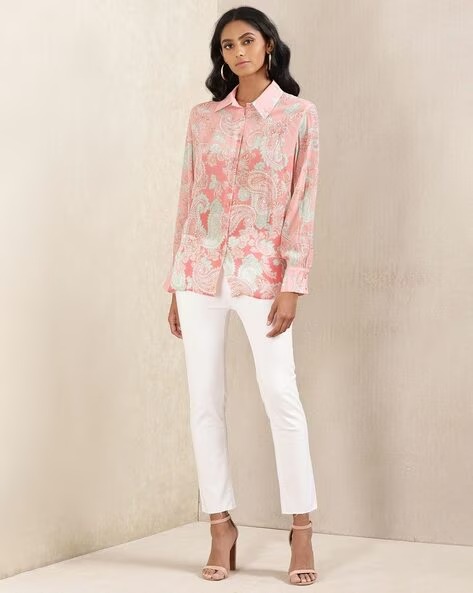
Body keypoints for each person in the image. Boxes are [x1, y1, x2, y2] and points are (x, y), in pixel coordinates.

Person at [163, 6, 319, 586]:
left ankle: (301, 528)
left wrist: (293, 283)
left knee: (281, 396)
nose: (238, 53)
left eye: (247, 41)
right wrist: (176, 283)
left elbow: (303, 201)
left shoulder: (299, 116)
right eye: (227, 46)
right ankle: (220, 524)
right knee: (204, 401)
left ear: (269, 44)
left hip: (263, 274)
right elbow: (188, 197)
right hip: (199, 271)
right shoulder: (203, 118)